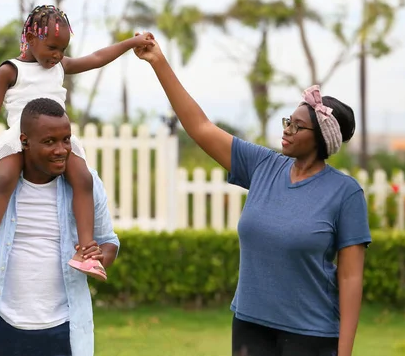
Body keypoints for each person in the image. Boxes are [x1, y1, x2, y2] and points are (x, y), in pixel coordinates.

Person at [134, 36, 371, 356]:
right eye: (288, 121)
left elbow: (351, 276)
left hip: (311, 335)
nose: (287, 129)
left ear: (322, 140)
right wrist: (158, 62)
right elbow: (200, 127)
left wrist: (344, 353)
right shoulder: (263, 166)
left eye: (298, 127)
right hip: (250, 326)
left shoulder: (345, 194)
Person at [0, 5, 149, 281]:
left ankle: (85, 252)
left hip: (56, 139)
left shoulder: (60, 66)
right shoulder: (11, 70)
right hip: (20, 139)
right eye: (51, 47)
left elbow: (96, 58)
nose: (57, 55)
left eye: (62, 49)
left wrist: (132, 42)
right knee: (4, 178)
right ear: (30, 38)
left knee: (83, 179)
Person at [0, 97, 120, 356]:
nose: (61, 150)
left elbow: (109, 241)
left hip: (63, 331)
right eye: (49, 142)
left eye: (66, 140)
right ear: (24, 142)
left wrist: (100, 256)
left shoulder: (87, 185)